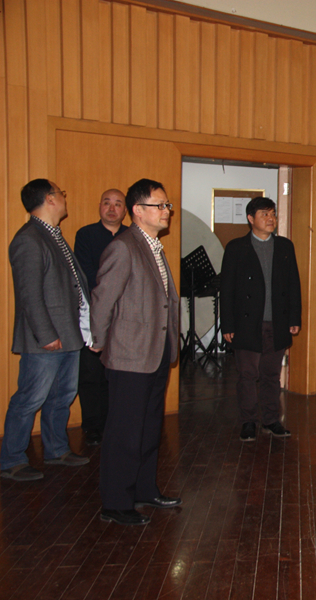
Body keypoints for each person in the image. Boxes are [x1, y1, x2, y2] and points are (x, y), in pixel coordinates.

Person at [90, 178, 181, 526]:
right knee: (124, 432)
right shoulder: (123, 247)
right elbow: (103, 299)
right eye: (160, 205)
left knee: (149, 428)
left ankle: (144, 489)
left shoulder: (153, 246)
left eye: (167, 204)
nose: (166, 211)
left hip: (155, 352)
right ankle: (115, 502)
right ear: (138, 211)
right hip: (130, 355)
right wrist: (99, 341)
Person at [1, 179, 91, 482]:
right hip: (46, 338)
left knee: (62, 396)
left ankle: (57, 449)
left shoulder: (54, 235)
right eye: (61, 194)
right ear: (50, 199)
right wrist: (46, 335)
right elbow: (29, 294)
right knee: (29, 398)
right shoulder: (29, 239)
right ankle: (11, 459)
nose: (65, 198)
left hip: (69, 333)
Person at [220, 196, 302, 442]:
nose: (270, 219)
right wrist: (228, 324)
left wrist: (294, 317)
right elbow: (227, 289)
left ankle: (271, 420)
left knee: (271, 374)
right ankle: (248, 421)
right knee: (247, 374)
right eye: (264, 214)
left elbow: (294, 285)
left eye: (273, 214)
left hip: (277, 322)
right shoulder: (236, 247)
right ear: (250, 218)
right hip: (246, 323)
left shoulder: (285, 246)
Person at [74, 188, 127, 445]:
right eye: (107, 203)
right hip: (94, 312)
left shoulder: (132, 235)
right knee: (91, 373)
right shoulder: (86, 235)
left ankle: (115, 424)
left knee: (119, 374)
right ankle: (93, 426)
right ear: (100, 206)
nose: (112, 208)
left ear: (125, 210)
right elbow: (86, 273)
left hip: (125, 315)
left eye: (118, 204)